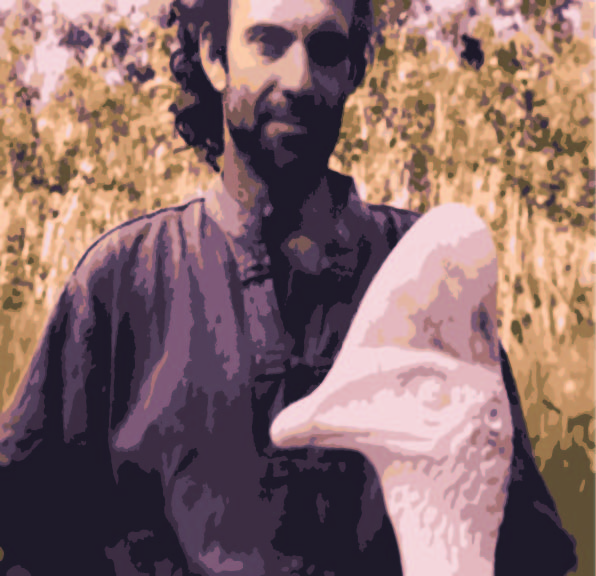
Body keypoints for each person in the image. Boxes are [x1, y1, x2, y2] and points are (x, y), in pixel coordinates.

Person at [0, 0, 577, 575]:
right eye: (269, 43)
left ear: (355, 66)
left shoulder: (428, 278)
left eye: (326, 49)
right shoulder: (123, 283)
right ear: (213, 54)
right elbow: (31, 537)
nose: (300, 80)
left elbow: (523, 547)